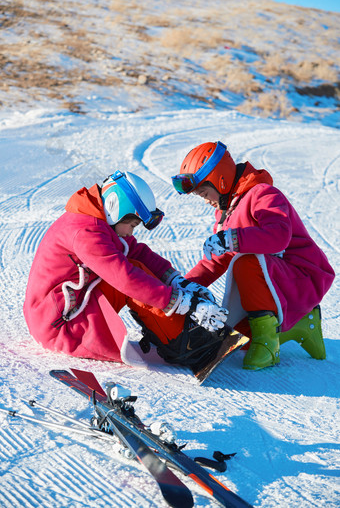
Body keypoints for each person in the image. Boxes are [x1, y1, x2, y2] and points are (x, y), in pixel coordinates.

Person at [24, 170, 228, 368]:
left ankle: (176, 328)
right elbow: (124, 277)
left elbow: (136, 252)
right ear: (114, 208)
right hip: (60, 326)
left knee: (136, 265)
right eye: (131, 224)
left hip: (57, 316)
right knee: (129, 276)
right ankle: (182, 343)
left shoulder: (95, 221)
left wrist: (176, 281)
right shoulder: (85, 232)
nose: (131, 232)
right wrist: (179, 301)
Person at [171, 141, 335, 370]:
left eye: (205, 193)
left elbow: (279, 236)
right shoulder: (225, 214)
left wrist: (232, 240)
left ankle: (267, 343)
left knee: (245, 263)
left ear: (220, 179)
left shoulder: (264, 194)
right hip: (280, 280)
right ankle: (301, 323)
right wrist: (181, 289)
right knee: (238, 336)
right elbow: (214, 263)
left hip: (305, 276)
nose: (206, 201)